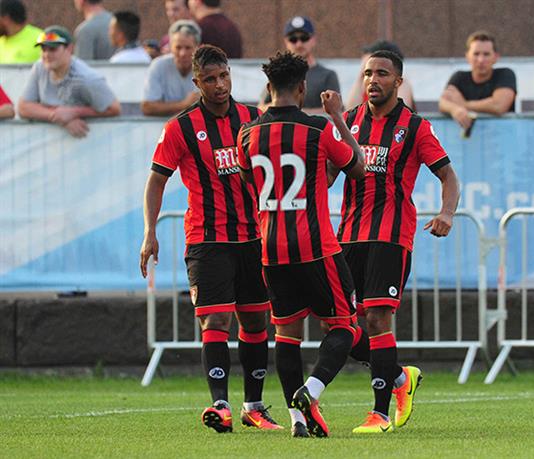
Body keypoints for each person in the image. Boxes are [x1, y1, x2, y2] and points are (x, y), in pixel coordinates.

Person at [140, 45, 282, 434]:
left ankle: (253, 405)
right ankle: (219, 404)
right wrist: (150, 232)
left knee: (256, 321)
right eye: (210, 80)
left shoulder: (254, 120)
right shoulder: (181, 127)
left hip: (254, 236)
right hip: (207, 239)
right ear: (196, 82)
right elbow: (156, 182)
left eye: (224, 77)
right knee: (216, 319)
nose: (219, 86)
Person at [330, 50, 460, 434]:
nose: (373, 80)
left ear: (398, 82)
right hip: (348, 236)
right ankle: (401, 378)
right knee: (338, 325)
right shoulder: (350, 122)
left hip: (391, 235)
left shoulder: (415, 127)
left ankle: (380, 413)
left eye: (382, 73)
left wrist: (447, 213)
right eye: (368, 73)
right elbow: (328, 174)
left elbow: (448, 176)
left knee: (376, 318)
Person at [237, 51, 365, 438]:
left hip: (271, 249)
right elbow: (358, 168)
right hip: (315, 247)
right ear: (302, 87)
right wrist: (339, 120)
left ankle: (297, 421)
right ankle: (311, 391)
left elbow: (250, 183)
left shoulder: (248, 135)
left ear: (269, 88)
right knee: (344, 326)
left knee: (287, 335)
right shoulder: (316, 131)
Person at [17, 26, 121, 138]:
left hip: (89, 139)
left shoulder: (87, 78)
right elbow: (23, 107)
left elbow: (114, 108)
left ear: (69, 49)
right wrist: (57, 117)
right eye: (43, 49)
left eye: (53, 49)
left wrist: (75, 112)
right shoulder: (39, 68)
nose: (46, 55)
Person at [258, 16, 340, 115]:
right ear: (286, 41)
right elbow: (261, 108)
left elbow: (335, 109)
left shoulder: (327, 75)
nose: (299, 44)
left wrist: (297, 115)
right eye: (293, 39)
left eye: (304, 38)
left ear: (313, 39)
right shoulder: (280, 73)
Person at [439, 31, 516, 133]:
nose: (481, 60)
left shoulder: (505, 74)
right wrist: (455, 110)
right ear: (467, 57)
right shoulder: (459, 77)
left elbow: (499, 105)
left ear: (496, 57)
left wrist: (463, 104)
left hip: (502, 139)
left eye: (486, 54)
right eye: (476, 54)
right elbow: (443, 102)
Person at [141, 20, 201, 117]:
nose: (183, 53)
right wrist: (184, 105)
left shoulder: (206, 68)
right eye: (178, 47)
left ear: (197, 48)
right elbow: (147, 107)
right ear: (171, 47)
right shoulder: (158, 65)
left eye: (188, 48)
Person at [346, 40, 415, 110]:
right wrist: (360, 76)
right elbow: (350, 112)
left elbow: (398, 113)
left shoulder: (402, 84)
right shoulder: (367, 84)